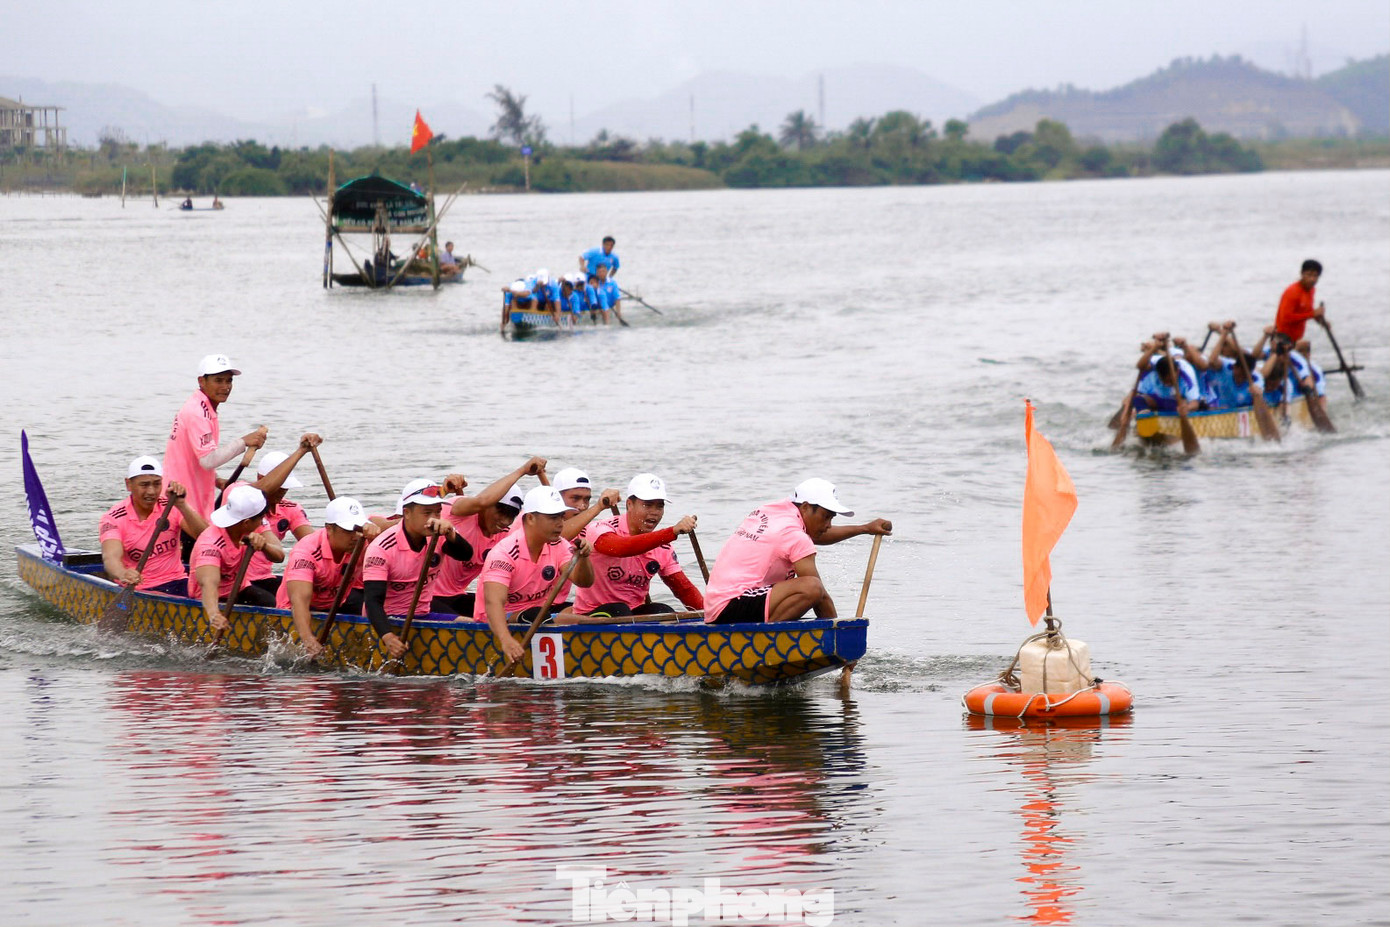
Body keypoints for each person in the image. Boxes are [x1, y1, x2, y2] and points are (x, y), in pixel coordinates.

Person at [704, 479, 892, 624]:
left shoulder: (776, 510)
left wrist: (865, 528)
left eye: (831, 518)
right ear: (805, 507)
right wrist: (840, 636)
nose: (828, 525)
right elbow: (820, 597)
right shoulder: (794, 534)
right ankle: (766, 641)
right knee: (812, 587)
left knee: (811, 586)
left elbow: (815, 534)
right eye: (825, 517)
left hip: (718, 605)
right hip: (731, 606)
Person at [473, 485, 596, 665]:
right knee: (536, 614)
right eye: (552, 517)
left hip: (538, 616)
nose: (560, 523)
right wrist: (506, 640)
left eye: (561, 516)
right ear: (530, 518)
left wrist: (584, 558)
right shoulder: (505, 553)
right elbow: (494, 604)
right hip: (495, 621)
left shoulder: (558, 545)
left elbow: (584, 582)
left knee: (595, 618)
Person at [362, 479, 475, 659]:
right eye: (427, 512)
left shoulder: (439, 535)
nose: (433, 519)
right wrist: (388, 637)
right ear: (406, 513)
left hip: (423, 613)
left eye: (438, 512)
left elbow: (466, 555)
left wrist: (452, 534)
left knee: (472, 625)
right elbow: (372, 601)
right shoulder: (382, 548)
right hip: (389, 620)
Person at [566, 473, 703, 619]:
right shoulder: (601, 529)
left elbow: (684, 590)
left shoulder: (663, 548)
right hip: (592, 614)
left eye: (659, 506)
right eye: (648, 505)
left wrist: (713, 616)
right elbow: (621, 548)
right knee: (620, 610)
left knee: (663, 611)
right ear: (629, 505)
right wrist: (672, 531)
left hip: (633, 613)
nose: (654, 512)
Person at [430, 455, 549, 616]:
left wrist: (542, 475)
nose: (505, 521)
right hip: (427, 597)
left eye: (511, 515)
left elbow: (551, 520)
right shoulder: (458, 510)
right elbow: (481, 501)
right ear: (487, 506)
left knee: (509, 614)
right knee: (472, 621)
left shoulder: (508, 533)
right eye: (500, 512)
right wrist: (523, 470)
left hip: (458, 595)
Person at [162, 354, 267, 521]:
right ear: (201, 381)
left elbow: (195, 457)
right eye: (218, 380)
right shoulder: (198, 412)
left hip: (187, 496)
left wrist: (216, 480)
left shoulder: (202, 407)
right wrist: (243, 442)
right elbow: (208, 460)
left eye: (229, 380)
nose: (225, 387)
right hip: (181, 500)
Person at [276, 496, 381, 658]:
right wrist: (308, 639)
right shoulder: (305, 551)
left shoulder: (363, 543)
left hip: (337, 602)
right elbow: (299, 601)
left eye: (358, 529)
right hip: (296, 610)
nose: (354, 536)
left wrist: (377, 539)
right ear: (329, 528)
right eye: (348, 531)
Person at [100, 456, 209, 596]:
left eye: (157, 484)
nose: (151, 492)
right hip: (139, 588)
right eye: (144, 485)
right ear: (128, 484)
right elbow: (110, 558)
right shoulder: (113, 518)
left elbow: (206, 537)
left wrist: (182, 505)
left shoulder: (171, 506)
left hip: (178, 581)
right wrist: (123, 573)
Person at [228, 437, 322, 598]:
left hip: (264, 578)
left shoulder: (290, 509)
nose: (283, 490)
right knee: (273, 602)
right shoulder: (239, 498)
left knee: (313, 594)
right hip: (236, 580)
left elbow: (313, 544)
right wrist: (301, 451)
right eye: (279, 485)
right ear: (260, 478)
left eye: (286, 486)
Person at [190, 485, 284, 633]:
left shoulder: (243, 527)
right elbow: (208, 583)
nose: (262, 522)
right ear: (247, 522)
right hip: (211, 598)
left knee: (271, 601)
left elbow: (279, 557)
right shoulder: (211, 543)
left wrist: (264, 545)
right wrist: (214, 614)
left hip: (239, 588)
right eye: (261, 519)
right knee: (268, 603)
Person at [1131, 336, 1203, 414]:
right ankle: (1145, 418)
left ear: (1177, 372)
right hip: (1161, 400)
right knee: (1138, 399)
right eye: (1165, 381)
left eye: (1170, 380)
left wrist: (1187, 408)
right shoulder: (1156, 362)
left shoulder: (1187, 373)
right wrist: (1153, 348)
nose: (1168, 383)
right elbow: (1140, 366)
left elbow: (1195, 403)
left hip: (1177, 404)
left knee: (1185, 403)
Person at [1201, 322, 1264, 410]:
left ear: (1250, 372)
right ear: (1235, 367)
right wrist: (1224, 334)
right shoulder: (1228, 366)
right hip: (1222, 410)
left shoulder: (1256, 378)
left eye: (1244, 377)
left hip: (1244, 410)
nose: (1240, 379)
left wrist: (1255, 391)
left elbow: (1258, 394)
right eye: (1239, 375)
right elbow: (1212, 361)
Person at [550, 467, 623, 541]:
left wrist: (613, 505)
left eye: (587, 499)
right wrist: (598, 507)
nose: (582, 506)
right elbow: (557, 536)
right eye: (575, 498)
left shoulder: (591, 529)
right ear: (557, 498)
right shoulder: (542, 530)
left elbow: (622, 538)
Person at [1274, 259, 1326, 347]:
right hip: (1282, 338)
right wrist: (1313, 314)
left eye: (1315, 276)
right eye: (1309, 275)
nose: (1312, 279)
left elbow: (1307, 310)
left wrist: (1319, 320)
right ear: (1302, 274)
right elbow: (1286, 317)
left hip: (1296, 338)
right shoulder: (1292, 291)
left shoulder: (1311, 290)